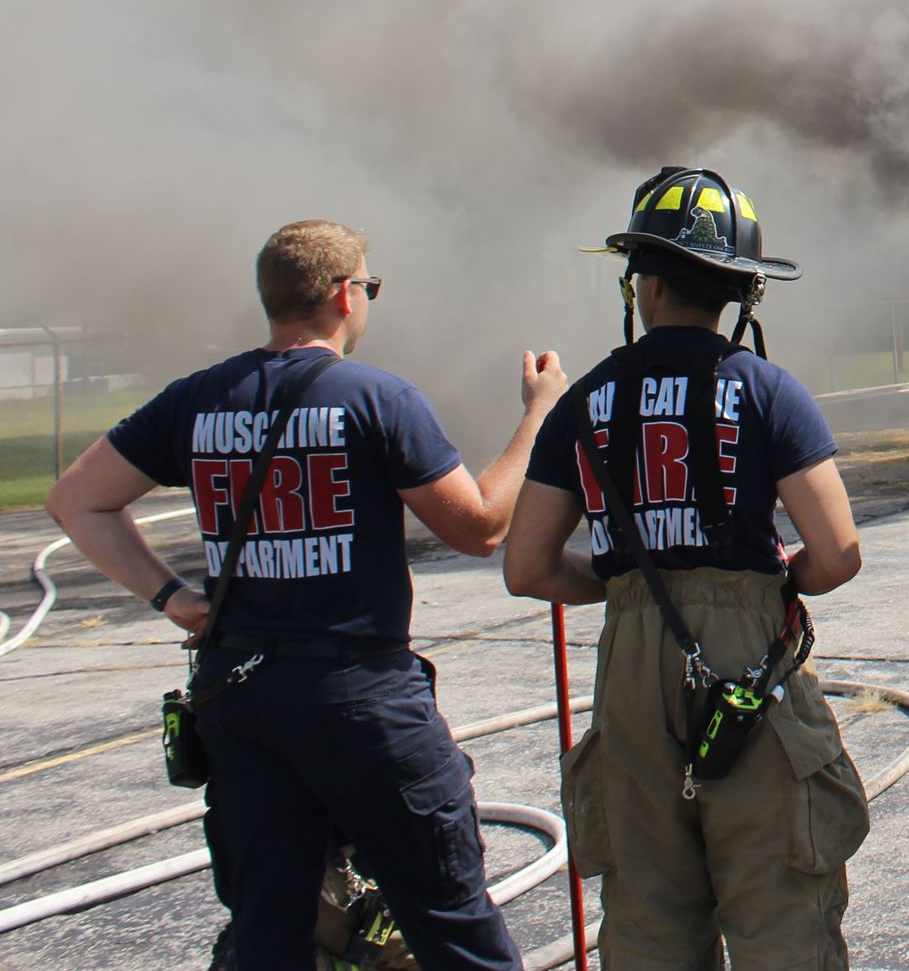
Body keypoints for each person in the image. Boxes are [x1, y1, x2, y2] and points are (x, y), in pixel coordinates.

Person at [46, 220, 554, 970]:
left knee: (270, 934)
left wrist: (172, 596)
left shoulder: (198, 398)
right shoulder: (377, 397)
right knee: (453, 924)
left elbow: (77, 500)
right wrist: (539, 414)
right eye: (369, 285)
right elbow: (479, 528)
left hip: (239, 698)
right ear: (345, 294)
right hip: (359, 695)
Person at [503, 167, 869, 970]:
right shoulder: (768, 390)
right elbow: (839, 552)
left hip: (631, 671)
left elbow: (527, 566)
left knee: (649, 922)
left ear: (648, 282)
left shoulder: (583, 402)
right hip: (749, 666)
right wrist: (783, 581)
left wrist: (622, 584)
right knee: (783, 911)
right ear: (741, 291)